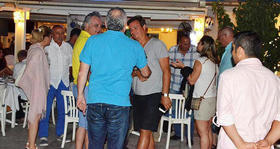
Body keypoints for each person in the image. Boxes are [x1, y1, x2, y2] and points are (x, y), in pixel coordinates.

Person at [77, 7, 151, 149]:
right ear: (125, 25)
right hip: (119, 104)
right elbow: (146, 73)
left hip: (95, 101)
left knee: (95, 145)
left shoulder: (92, 41)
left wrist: (80, 96)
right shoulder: (135, 46)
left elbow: (82, 72)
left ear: (106, 23)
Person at [216, 31, 280, 149]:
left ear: (240, 51)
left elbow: (224, 116)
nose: (232, 54)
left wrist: (241, 144)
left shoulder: (229, 76)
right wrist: (268, 141)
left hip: (233, 144)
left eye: (233, 49)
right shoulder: (274, 79)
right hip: (262, 144)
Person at [128, 15, 171, 149]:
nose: (133, 31)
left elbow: (166, 71)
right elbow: (129, 71)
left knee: (145, 132)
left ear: (144, 27)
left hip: (153, 94)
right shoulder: (133, 47)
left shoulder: (157, 44)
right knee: (145, 131)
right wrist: (137, 73)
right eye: (131, 29)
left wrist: (165, 95)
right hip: (137, 95)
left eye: (136, 28)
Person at [72, 11, 102, 149]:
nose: (99, 29)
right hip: (86, 87)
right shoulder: (88, 41)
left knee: (84, 124)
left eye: (100, 26)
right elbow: (89, 70)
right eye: (96, 26)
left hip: (81, 86)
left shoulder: (82, 39)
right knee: (87, 125)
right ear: (86, 26)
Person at [38, 25, 73, 146]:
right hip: (49, 82)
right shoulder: (46, 47)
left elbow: (70, 66)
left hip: (63, 82)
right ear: (52, 34)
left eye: (62, 33)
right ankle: (43, 135)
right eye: (57, 33)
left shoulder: (68, 47)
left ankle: (60, 133)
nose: (60, 35)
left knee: (63, 110)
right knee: (45, 110)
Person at [18, 26, 51, 149]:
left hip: (38, 87)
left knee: (34, 116)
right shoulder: (37, 52)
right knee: (35, 117)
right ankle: (31, 145)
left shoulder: (36, 49)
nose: (51, 39)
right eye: (50, 37)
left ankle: (30, 142)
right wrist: (36, 84)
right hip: (38, 88)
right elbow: (31, 70)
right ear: (46, 38)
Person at [187, 35, 219, 149]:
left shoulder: (200, 61)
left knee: (203, 133)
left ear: (203, 45)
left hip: (202, 101)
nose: (197, 45)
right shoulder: (214, 62)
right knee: (208, 129)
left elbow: (191, 80)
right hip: (212, 99)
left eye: (199, 43)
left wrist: (184, 70)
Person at [168, 33, 200, 142]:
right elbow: (166, 67)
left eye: (188, 43)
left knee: (188, 113)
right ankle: (178, 133)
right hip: (174, 85)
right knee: (176, 112)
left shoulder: (195, 52)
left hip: (188, 87)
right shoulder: (172, 50)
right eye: (184, 43)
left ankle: (189, 137)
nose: (187, 46)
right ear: (179, 43)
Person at [13, 50, 28, 121]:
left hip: (23, 94)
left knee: (13, 93)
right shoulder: (33, 64)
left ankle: (20, 115)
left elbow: (15, 79)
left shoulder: (18, 65)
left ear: (19, 57)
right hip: (33, 93)